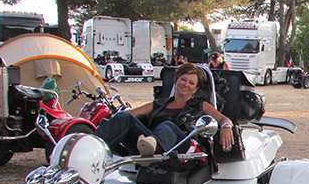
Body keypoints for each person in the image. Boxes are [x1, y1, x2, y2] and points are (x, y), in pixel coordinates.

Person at [94, 63, 235, 157]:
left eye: (191, 83)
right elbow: (129, 114)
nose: (186, 84)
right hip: (147, 144)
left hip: (184, 149)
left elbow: (223, 118)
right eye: (183, 79)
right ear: (176, 81)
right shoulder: (159, 104)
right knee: (123, 118)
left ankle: (151, 146)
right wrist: (110, 120)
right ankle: (91, 148)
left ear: (196, 89)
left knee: (167, 125)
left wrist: (226, 126)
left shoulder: (201, 105)